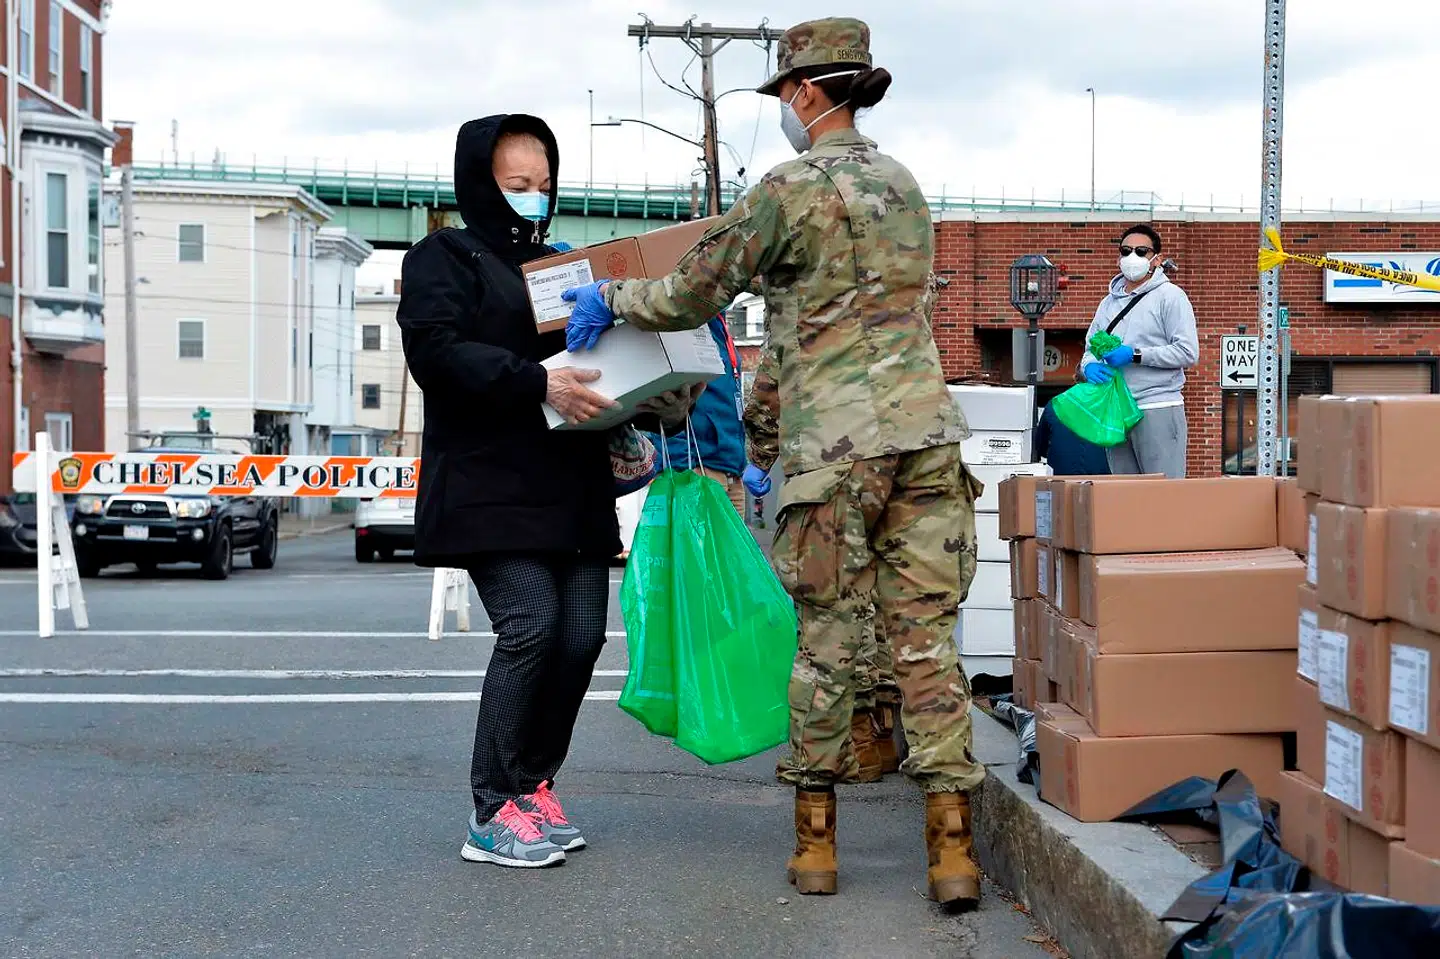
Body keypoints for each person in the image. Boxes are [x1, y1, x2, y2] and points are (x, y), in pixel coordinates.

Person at [562, 19, 986, 907]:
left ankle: (818, 849)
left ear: (803, 93)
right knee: (926, 645)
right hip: (928, 439)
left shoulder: (785, 189)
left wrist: (610, 294)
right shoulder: (905, 186)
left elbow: (694, 291)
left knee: (827, 644)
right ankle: (953, 857)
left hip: (833, 450)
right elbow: (853, 318)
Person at [398, 114, 679, 870]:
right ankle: (490, 809)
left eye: (544, 185)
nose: (533, 198)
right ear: (479, 184)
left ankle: (533, 785)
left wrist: (646, 387)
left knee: (582, 635)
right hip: (490, 485)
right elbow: (437, 352)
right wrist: (536, 379)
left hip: (573, 483)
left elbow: (600, 358)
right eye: (517, 185)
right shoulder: (442, 257)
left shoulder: (567, 269)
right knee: (531, 624)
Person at [1078, 225, 1199, 478]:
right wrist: (1088, 366)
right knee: (1126, 496)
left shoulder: (1171, 297)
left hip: (1158, 406)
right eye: (1126, 250)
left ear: (1156, 259)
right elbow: (1090, 347)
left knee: (1163, 494)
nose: (1132, 256)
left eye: (1141, 251)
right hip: (1117, 409)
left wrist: (1135, 355)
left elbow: (1187, 352)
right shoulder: (1108, 302)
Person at [642, 315, 748, 515]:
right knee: (695, 544)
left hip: (730, 469)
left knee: (731, 547)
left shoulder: (717, 321)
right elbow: (672, 395)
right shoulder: (681, 316)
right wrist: (682, 466)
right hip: (696, 468)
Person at [1034, 400, 1110, 475]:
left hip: (1060, 480)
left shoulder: (1054, 404)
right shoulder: (1111, 408)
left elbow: (1040, 448)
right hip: (1102, 480)